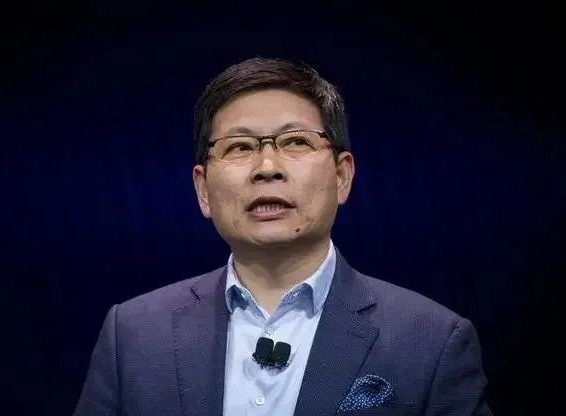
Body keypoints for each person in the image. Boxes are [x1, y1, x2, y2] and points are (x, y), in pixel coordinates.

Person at [73, 57, 492, 416]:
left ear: (342, 176)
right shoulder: (132, 335)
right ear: (202, 189)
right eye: (239, 147)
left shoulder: (432, 341)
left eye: (296, 142)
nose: (267, 167)